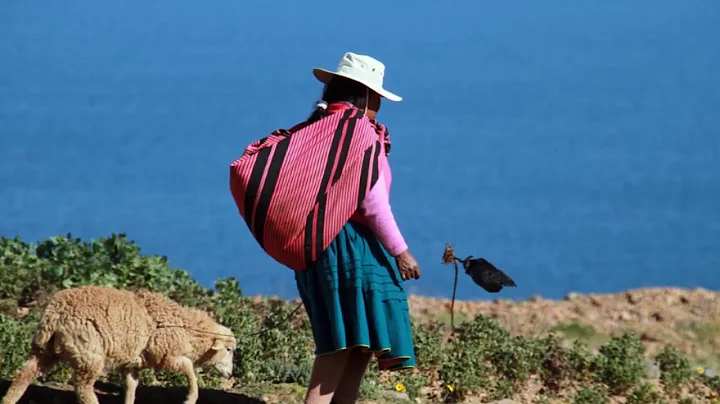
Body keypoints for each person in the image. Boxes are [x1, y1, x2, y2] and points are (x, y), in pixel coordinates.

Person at [229, 52, 420, 404]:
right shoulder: (360, 134)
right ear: (364, 95)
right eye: (377, 97)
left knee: (352, 348)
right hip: (352, 253)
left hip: (317, 253)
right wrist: (401, 252)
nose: (379, 105)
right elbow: (372, 204)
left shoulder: (312, 131)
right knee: (340, 350)